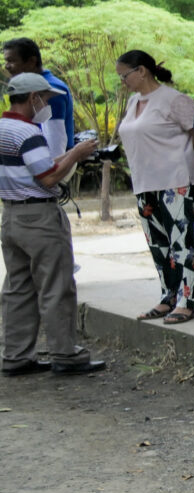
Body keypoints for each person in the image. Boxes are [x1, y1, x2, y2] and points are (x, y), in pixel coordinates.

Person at [0, 71, 103, 376]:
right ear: (33, 98)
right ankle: (65, 353)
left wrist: (61, 157)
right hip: (39, 218)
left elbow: (34, 167)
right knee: (56, 286)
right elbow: (48, 177)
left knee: (18, 287)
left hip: (11, 215)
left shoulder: (3, 127)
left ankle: (16, 356)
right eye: (45, 99)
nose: (46, 104)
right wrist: (76, 153)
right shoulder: (27, 132)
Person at [114, 50, 194, 324]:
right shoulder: (133, 101)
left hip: (175, 180)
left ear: (142, 71)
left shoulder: (175, 100)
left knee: (181, 244)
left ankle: (187, 300)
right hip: (144, 182)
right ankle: (168, 296)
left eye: (124, 75)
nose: (123, 81)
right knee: (158, 244)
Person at [3, 38, 73, 154]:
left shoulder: (49, 90)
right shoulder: (27, 87)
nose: (6, 66)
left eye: (11, 61)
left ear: (31, 61)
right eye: (6, 61)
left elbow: (54, 146)